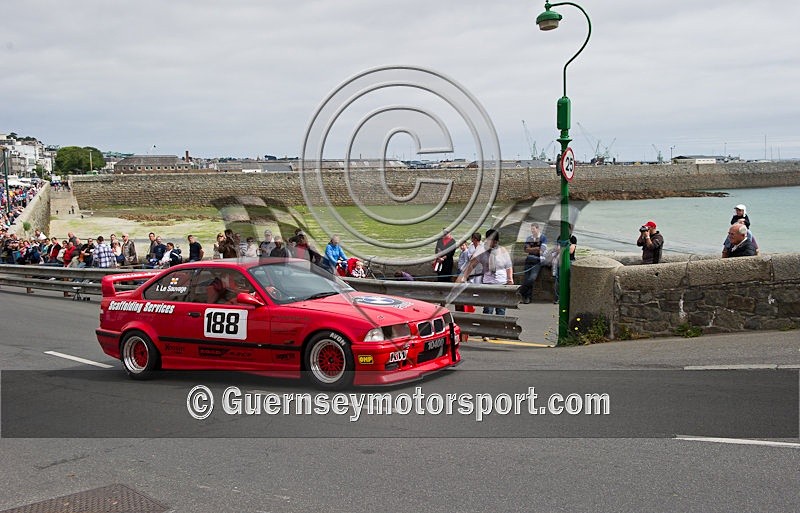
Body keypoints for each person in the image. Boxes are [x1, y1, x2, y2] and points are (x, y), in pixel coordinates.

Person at [458, 229, 513, 315]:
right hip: (488, 284)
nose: (490, 243)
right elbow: (472, 264)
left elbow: (508, 266)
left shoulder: (503, 251)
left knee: (501, 310)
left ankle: (499, 327)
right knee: (488, 309)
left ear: (496, 241)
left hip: (502, 284)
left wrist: (510, 279)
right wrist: (464, 277)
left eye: (493, 241)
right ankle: (487, 326)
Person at [518, 223, 548, 304]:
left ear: (538, 229)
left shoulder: (543, 237)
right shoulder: (529, 238)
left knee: (532, 278)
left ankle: (520, 292)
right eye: (531, 229)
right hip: (528, 260)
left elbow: (541, 250)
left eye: (533, 229)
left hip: (537, 261)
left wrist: (532, 249)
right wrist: (536, 248)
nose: (532, 231)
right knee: (526, 279)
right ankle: (527, 297)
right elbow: (526, 250)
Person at [552, 227, 577, 304]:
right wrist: (566, 246)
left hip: (570, 260)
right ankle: (558, 298)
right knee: (558, 279)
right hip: (560, 260)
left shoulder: (573, 238)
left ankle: (568, 298)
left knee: (569, 279)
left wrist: (563, 247)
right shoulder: (560, 237)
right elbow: (558, 249)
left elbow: (571, 251)